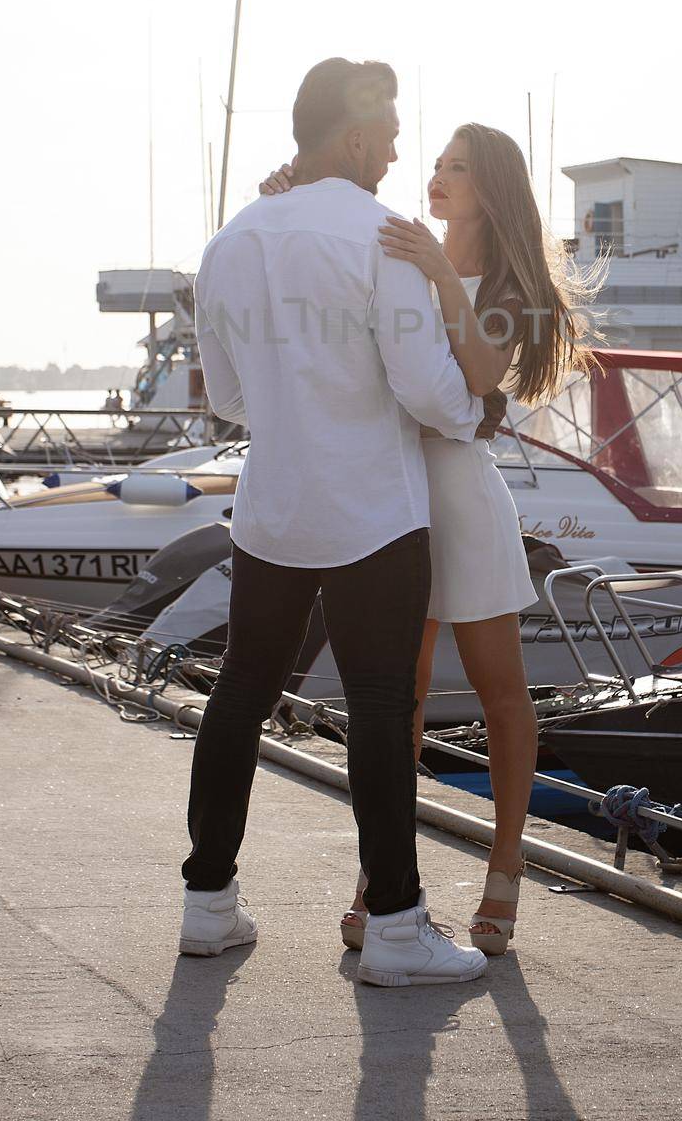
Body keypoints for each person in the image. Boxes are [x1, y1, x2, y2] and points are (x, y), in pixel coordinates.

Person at [180, 58, 500, 989]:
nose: (399, 153)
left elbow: (230, 399)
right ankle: (396, 930)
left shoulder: (229, 241)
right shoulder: (384, 238)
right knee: (375, 703)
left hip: (273, 508)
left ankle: (208, 906)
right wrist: (467, 407)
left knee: (239, 694)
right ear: (354, 136)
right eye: (392, 135)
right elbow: (429, 391)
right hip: (371, 514)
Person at [259, 123, 598, 955]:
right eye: (437, 165)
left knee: (499, 693)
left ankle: (505, 865)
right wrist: (286, 203)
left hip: (460, 494)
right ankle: (382, 880)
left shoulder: (509, 285)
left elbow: (482, 379)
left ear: (492, 189)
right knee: (394, 699)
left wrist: (444, 273)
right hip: (386, 491)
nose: (436, 179)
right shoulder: (391, 249)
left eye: (457, 169)